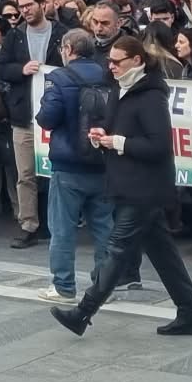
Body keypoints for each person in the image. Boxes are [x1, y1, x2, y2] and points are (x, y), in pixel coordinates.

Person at [50, 33, 192, 339]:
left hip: (143, 187)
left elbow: (158, 145)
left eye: (118, 62)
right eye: (110, 61)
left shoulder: (150, 96)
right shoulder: (124, 91)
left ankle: (83, 312)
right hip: (133, 183)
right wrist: (103, 135)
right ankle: (189, 313)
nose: (112, 66)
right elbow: (123, 130)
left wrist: (116, 142)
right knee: (163, 255)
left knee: (118, 251)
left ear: (137, 60)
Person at [34, 29, 117, 306]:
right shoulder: (109, 75)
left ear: (69, 49)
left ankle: (63, 286)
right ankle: (105, 286)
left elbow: (48, 118)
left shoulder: (59, 77)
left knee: (63, 228)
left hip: (68, 164)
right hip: (102, 160)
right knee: (104, 227)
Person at [0, 0, 66, 248]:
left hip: (57, 115)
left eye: (29, 5)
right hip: (24, 114)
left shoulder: (61, 33)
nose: (24, 10)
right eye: (21, 7)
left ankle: (56, 222)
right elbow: (1, 68)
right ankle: (29, 224)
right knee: (25, 173)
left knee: (56, 173)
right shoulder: (14, 36)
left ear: (43, 4)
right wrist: (21, 70)